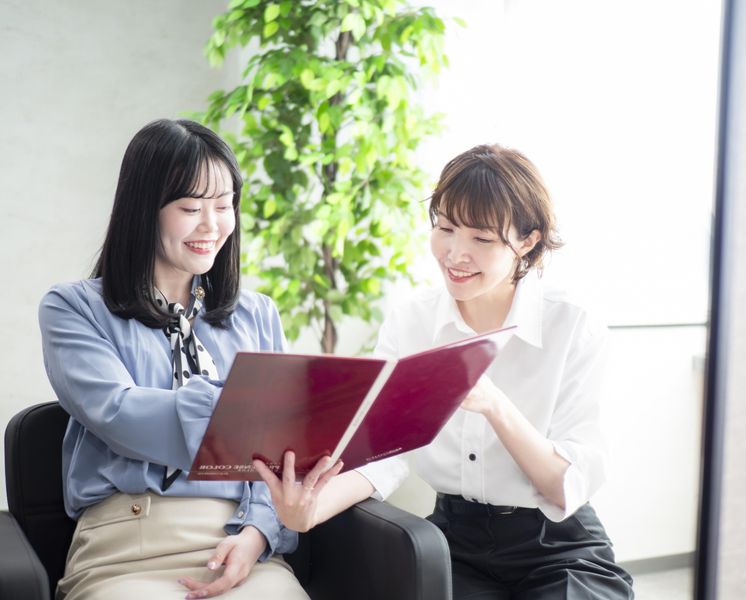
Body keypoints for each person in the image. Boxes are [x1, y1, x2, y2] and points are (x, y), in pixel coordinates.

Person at [39, 119, 401, 600]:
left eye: (224, 204)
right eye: (191, 208)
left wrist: (257, 535)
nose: (211, 225)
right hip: (127, 548)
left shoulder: (257, 314)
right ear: (144, 210)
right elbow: (118, 413)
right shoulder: (74, 308)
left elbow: (284, 459)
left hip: (242, 547)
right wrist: (256, 409)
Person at [372, 145, 635, 599]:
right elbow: (381, 449)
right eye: (445, 229)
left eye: (482, 239)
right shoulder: (410, 321)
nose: (456, 253)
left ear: (527, 241)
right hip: (455, 542)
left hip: (558, 545)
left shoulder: (572, 324)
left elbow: (564, 487)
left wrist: (494, 405)